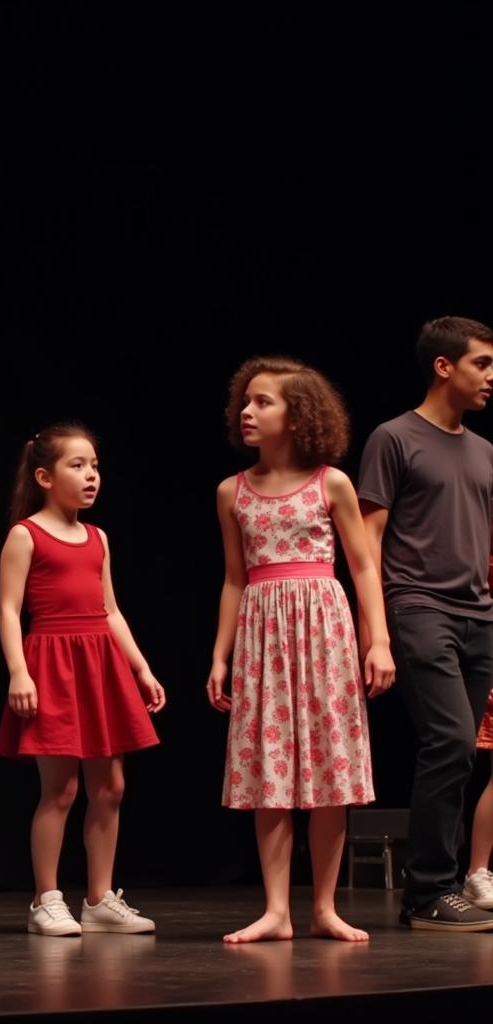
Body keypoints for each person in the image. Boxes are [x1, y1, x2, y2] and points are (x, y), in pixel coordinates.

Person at [208, 356, 394, 943]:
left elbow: (364, 565)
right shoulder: (231, 491)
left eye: (263, 402)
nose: (248, 411)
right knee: (271, 773)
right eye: (246, 401)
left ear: (298, 416)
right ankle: (276, 911)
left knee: (329, 768)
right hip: (263, 634)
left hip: (323, 629)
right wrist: (221, 653)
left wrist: (379, 640)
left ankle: (322, 908)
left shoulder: (331, 482)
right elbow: (235, 577)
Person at [0, 423, 165, 937]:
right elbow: (6, 608)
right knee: (61, 788)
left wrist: (140, 667)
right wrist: (19, 672)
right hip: (53, 663)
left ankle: (98, 898)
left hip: (101, 665)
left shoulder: (98, 537)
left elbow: (111, 610)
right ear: (44, 476)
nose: (91, 476)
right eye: (77, 465)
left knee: (110, 786)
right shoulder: (26, 534)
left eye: (94, 466)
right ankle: (46, 899)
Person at [358, 316, 493, 931]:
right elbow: (368, 540)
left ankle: (445, 884)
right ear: (445, 367)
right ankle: (428, 890)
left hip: (478, 616)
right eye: (482, 364)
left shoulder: (485, 451)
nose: (491, 376)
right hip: (418, 607)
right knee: (451, 741)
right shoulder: (395, 437)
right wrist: (377, 631)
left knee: (461, 751)